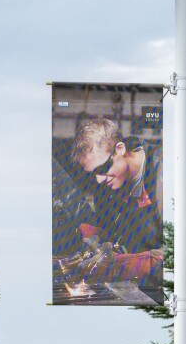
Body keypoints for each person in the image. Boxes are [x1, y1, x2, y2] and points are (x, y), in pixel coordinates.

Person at [69, 116, 164, 281]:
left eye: (103, 168)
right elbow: (112, 234)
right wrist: (99, 239)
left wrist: (120, 264)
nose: (99, 179)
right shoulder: (107, 182)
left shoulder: (164, 173)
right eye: (92, 175)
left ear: (120, 149)